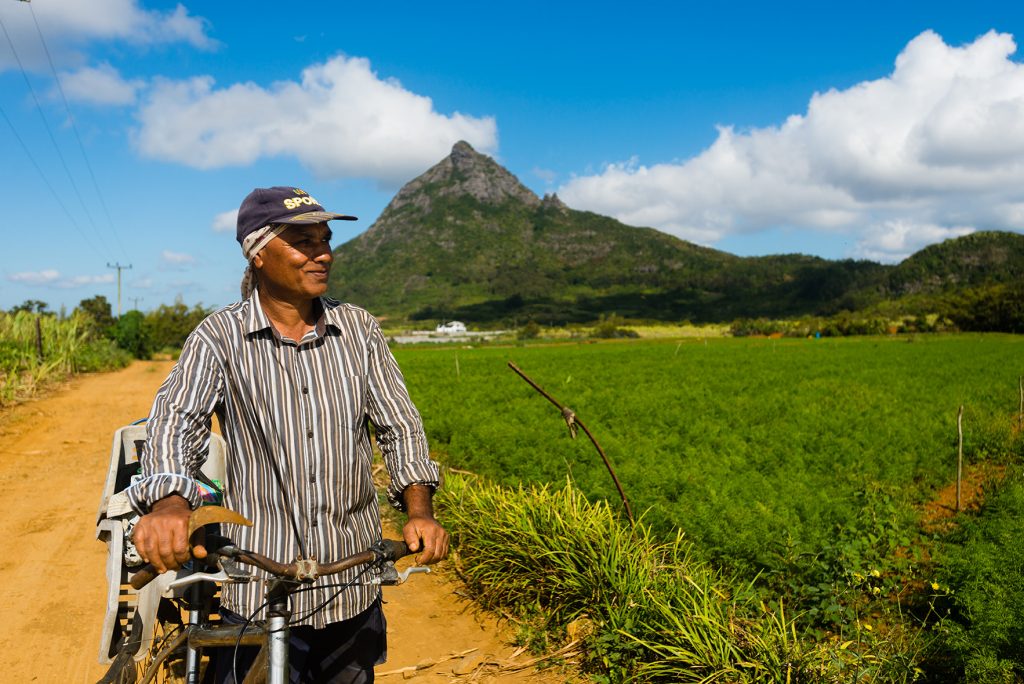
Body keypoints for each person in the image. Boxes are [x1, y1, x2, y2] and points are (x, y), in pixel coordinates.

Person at [127, 186, 448, 683]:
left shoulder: (358, 329)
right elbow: (176, 420)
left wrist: (420, 511)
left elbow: (400, 425)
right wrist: (170, 503)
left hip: (351, 579)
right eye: (303, 241)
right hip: (259, 587)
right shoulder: (219, 338)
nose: (323, 253)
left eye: (325, 239)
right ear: (257, 254)